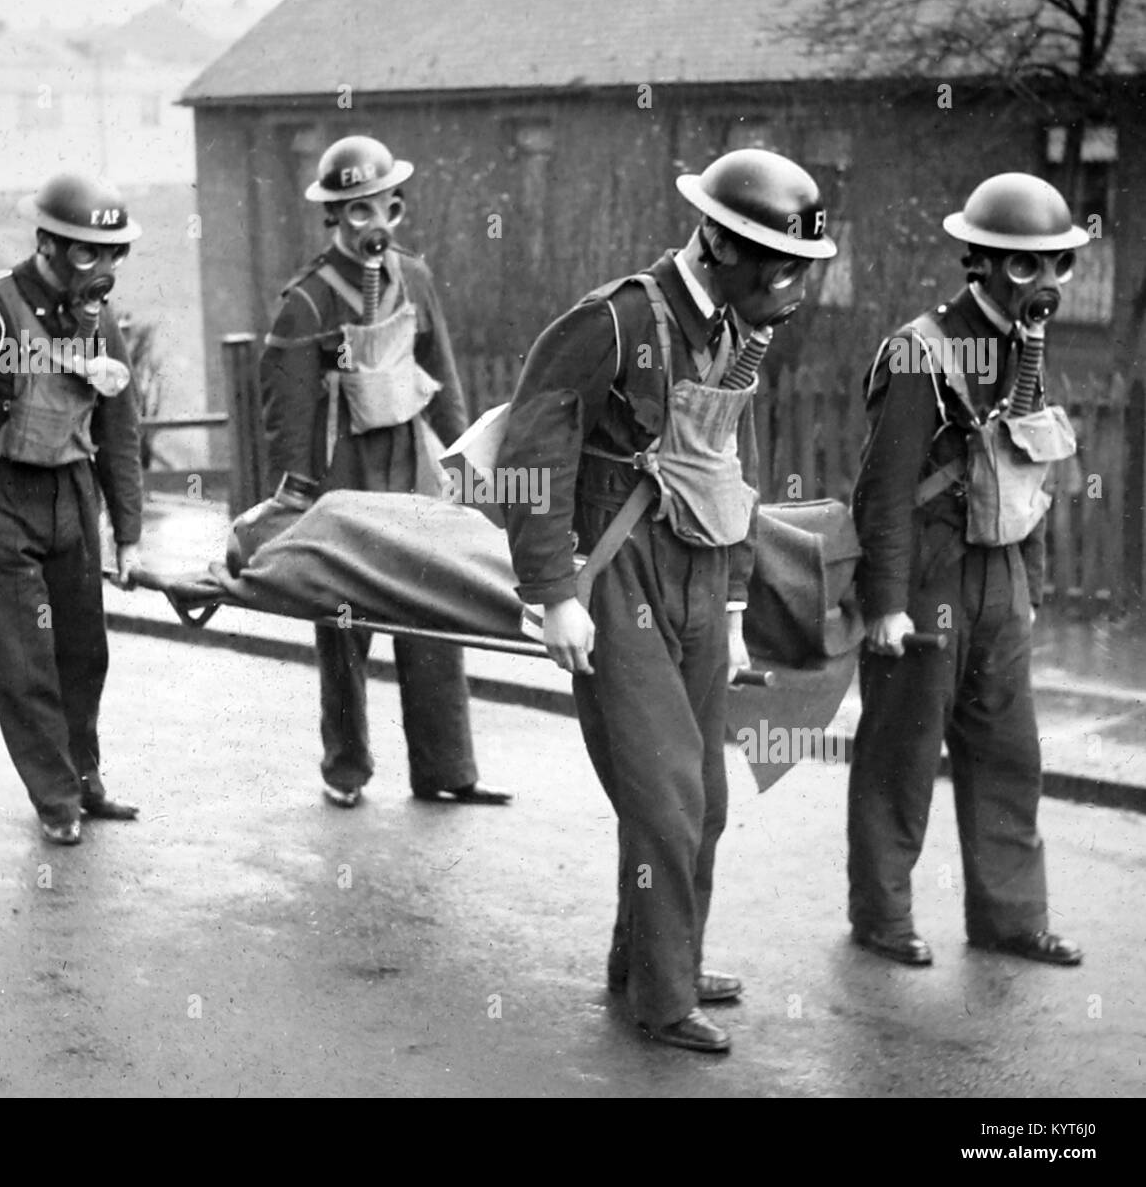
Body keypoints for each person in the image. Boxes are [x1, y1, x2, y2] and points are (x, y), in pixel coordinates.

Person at [498, 149, 835, 1053]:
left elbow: (729, 471)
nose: (795, 286)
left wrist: (728, 608)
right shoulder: (615, 322)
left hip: (695, 575)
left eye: (804, 265)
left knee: (704, 799)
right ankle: (661, 996)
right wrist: (554, 593)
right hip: (618, 574)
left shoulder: (732, 333)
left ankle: (657, 959)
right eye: (781, 264)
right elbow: (531, 453)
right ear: (720, 243)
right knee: (664, 799)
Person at [847, 172, 1087, 968]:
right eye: (1024, 267)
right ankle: (882, 917)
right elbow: (883, 491)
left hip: (1000, 578)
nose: (1044, 284)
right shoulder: (921, 352)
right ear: (976, 263)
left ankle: (1011, 918)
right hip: (929, 578)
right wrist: (885, 605)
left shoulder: (1027, 348)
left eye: (1057, 264)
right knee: (903, 754)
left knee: (1010, 757)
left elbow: (1032, 473)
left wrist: (1032, 588)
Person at [258, 134, 511, 811]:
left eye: (382, 208)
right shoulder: (308, 300)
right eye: (355, 212)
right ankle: (346, 767)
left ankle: (447, 770)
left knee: (434, 607)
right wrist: (298, 491)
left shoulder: (416, 278)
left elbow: (446, 376)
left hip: (411, 464)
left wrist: (465, 466)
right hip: (344, 474)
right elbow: (285, 410)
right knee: (343, 621)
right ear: (332, 219)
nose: (371, 224)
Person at [0, 171, 146, 845]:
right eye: (84, 254)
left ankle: (85, 776)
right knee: (25, 661)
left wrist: (128, 533)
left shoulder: (100, 322)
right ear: (46, 243)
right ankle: (55, 798)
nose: (101, 269)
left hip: (72, 495)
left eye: (112, 254)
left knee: (84, 652)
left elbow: (119, 430)